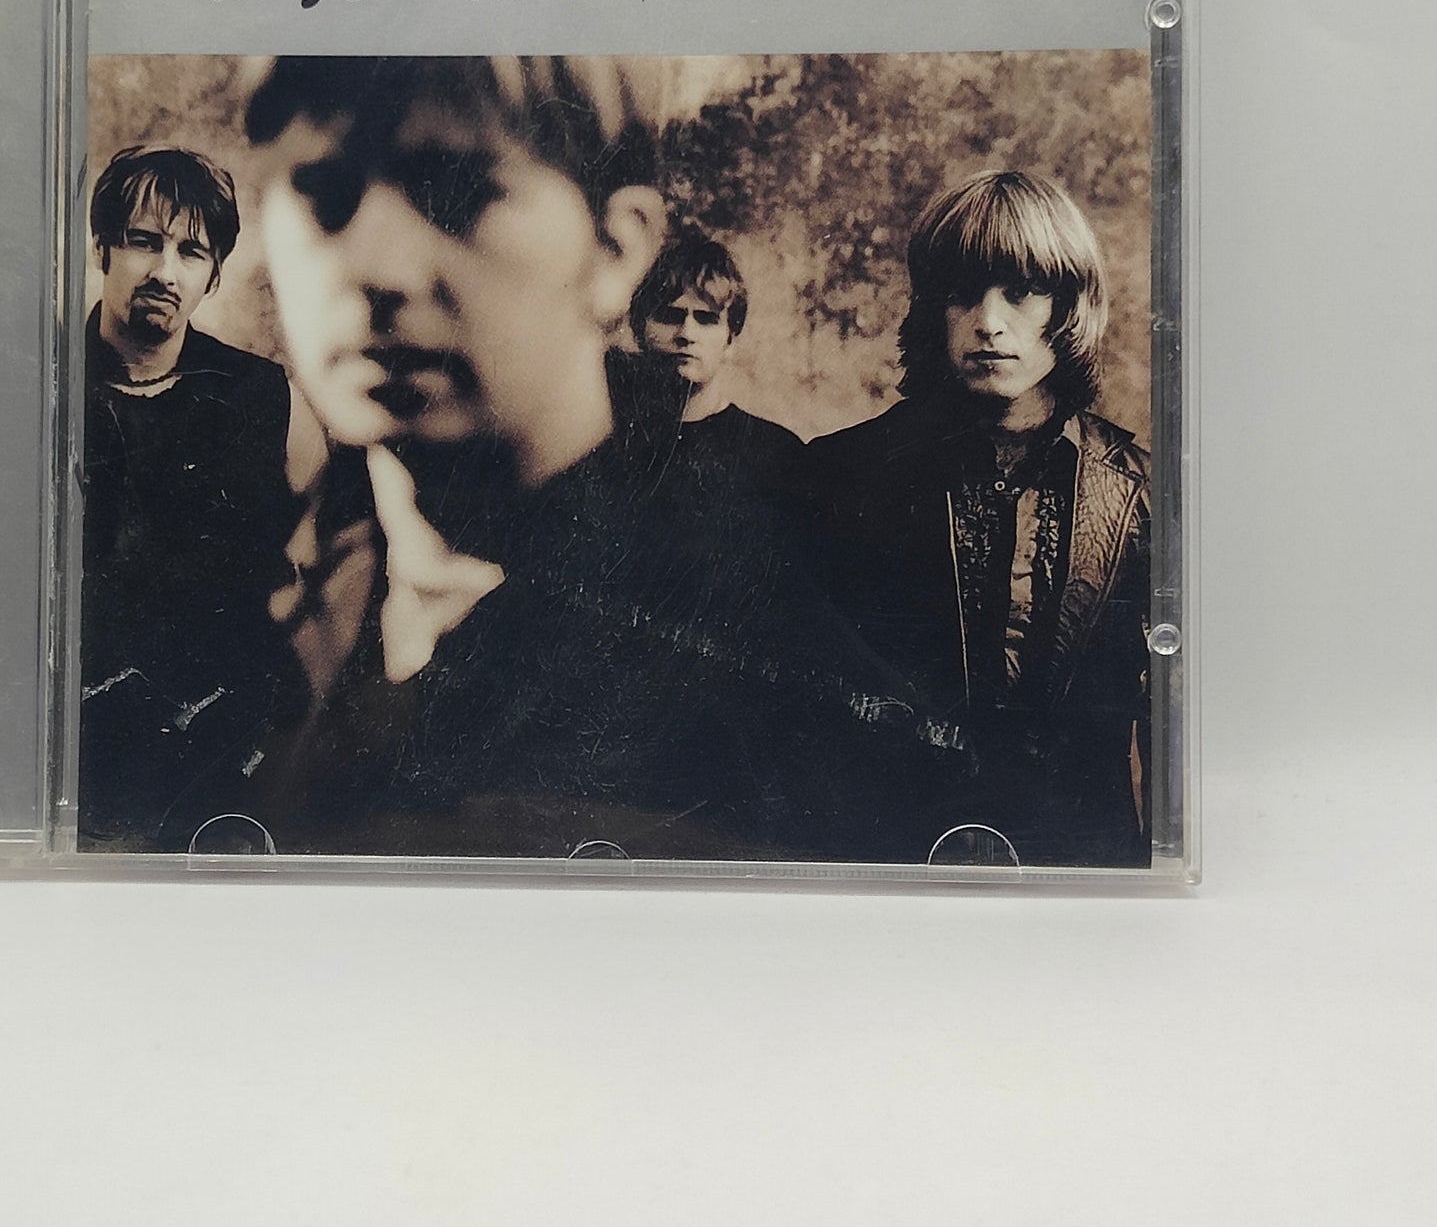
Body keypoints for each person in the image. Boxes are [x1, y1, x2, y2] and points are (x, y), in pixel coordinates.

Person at [241, 55, 928, 860]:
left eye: (456, 191)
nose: (375, 271)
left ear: (615, 250)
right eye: (323, 196)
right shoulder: (277, 601)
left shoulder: (753, 642)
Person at [802, 170, 1151, 867]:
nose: (989, 322)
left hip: (1082, 872)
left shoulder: (1141, 493)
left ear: (1069, 306)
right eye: (962, 293)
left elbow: (1170, 723)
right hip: (889, 861)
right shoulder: (839, 475)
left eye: (1020, 291)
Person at [78, 143, 300, 849]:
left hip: (216, 757)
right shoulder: (44, 383)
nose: (165, 272)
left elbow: (296, 579)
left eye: (191, 251)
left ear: (214, 275)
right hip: (78, 750)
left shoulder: (257, 395)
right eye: (144, 242)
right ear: (102, 248)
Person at [630, 225, 811, 518]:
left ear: (730, 341)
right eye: (670, 315)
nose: (686, 333)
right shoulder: (605, 446)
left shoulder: (776, 454)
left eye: (706, 319)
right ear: (640, 331)